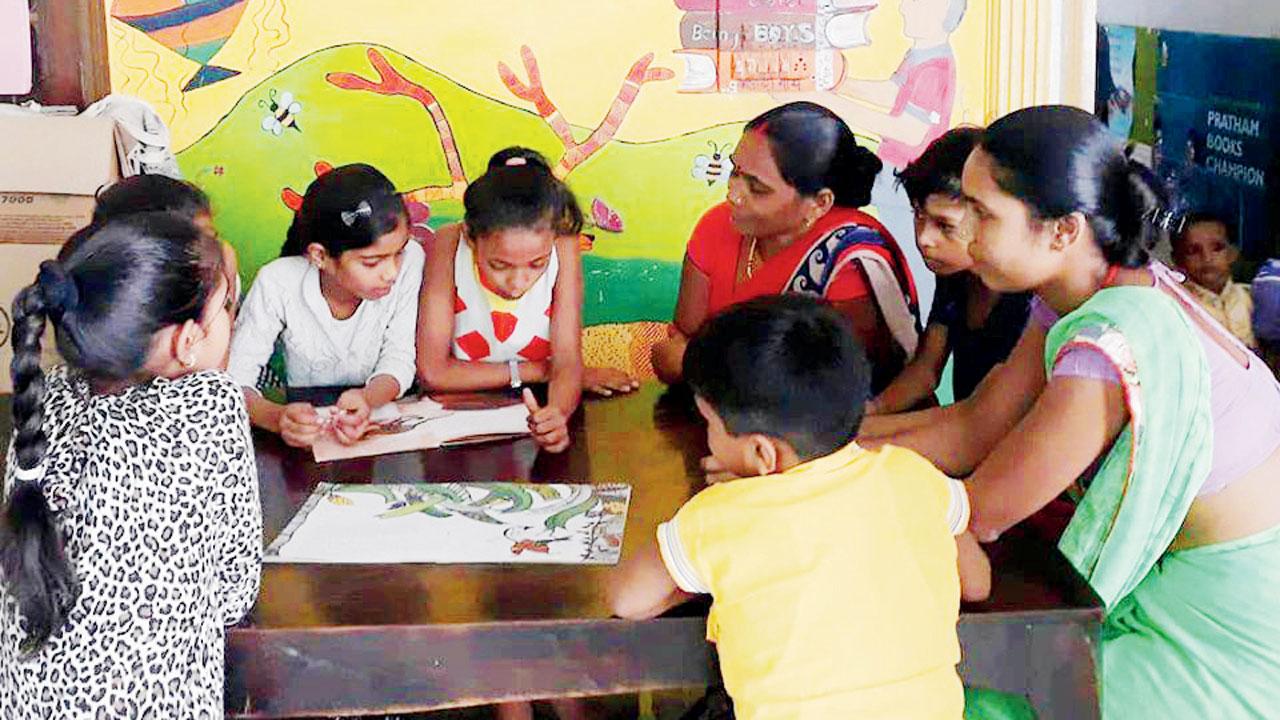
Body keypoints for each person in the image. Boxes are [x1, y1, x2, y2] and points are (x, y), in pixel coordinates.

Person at [867, 106, 1280, 718]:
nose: (965, 232)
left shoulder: (1114, 339)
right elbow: (974, 425)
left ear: (1062, 230)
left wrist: (821, 469)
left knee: (963, 699)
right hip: (1180, 587)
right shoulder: (1091, 294)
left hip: (1222, 629)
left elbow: (980, 510)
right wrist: (830, 443)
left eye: (983, 214)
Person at [612, 294, 989, 720]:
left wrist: (721, 576)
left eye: (710, 425)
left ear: (761, 453)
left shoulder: (722, 515)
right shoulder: (915, 475)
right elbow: (976, 582)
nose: (708, 437)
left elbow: (629, 599)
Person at [0, 213, 260, 716]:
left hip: (30, 703)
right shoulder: (212, 404)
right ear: (187, 341)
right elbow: (234, 590)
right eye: (228, 306)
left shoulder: (42, 397)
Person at [650, 102, 919, 392]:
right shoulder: (716, 227)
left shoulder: (847, 257)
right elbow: (679, 342)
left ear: (819, 203)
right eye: (735, 172)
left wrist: (698, 364)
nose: (734, 194)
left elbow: (828, 386)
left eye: (757, 187)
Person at [417, 148, 637, 454]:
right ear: (470, 236)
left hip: (536, 411)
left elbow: (568, 359)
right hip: (455, 426)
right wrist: (543, 371)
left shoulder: (563, 245)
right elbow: (433, 373)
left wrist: (557, 416)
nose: (518, 282)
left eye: (536, 264)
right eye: (499, 265)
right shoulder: (448, 244)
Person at [227, 163, 423, 449]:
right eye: (371, 262)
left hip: (378, 423)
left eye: (398, 254)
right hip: (304, 439)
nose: (391, 272)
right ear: (320, 256)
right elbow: (234, 381)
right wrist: (277, 418)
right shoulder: (278, 281)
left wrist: (368, 399)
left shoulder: (411, 260)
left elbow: (400, 356)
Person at [867, 127, 1030, 415]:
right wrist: (870, 412)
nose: (924, 238)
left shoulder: (1032, 304)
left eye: (945, 226)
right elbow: (926, 370)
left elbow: (980, 421)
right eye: (919, 215)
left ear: (989, 217)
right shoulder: (955, 276)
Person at [1173, 211, 1257, 350]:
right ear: (1178, 259)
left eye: (1217, 248)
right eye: (1193, 250)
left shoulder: (1253, 298)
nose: (1207, 258)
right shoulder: (1178, 308)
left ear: (1233, 253)